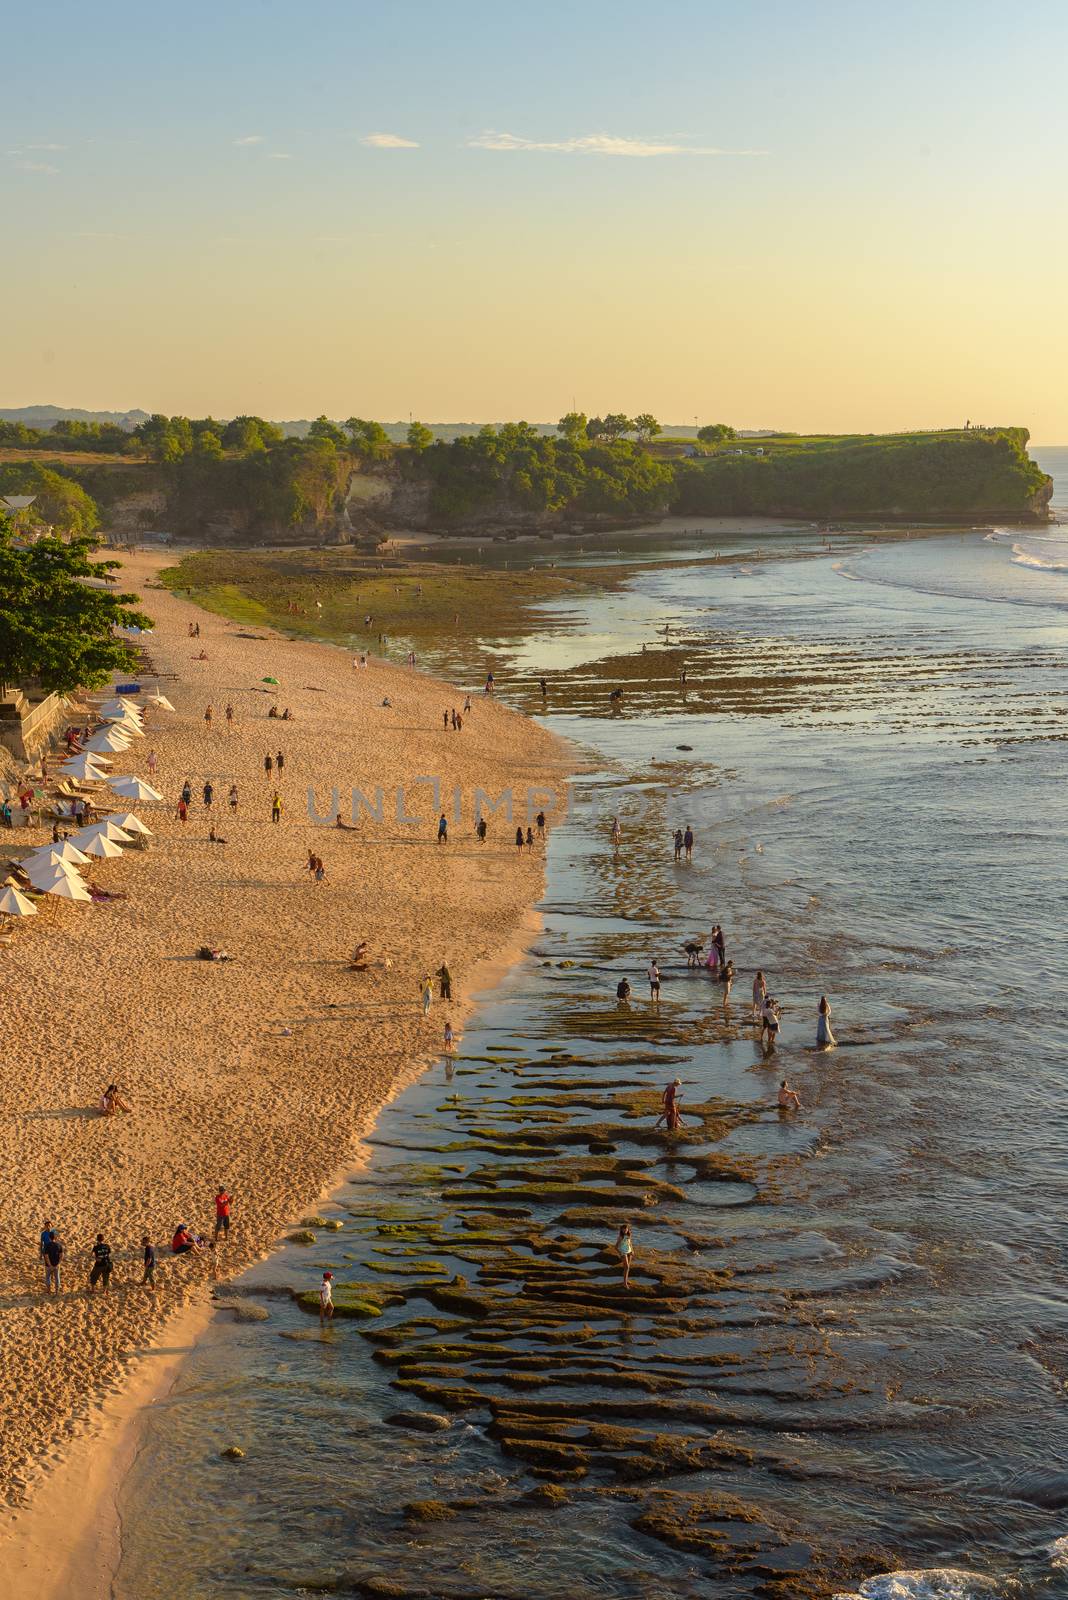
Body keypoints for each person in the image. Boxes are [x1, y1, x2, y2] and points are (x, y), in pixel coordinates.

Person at [614, 1223, 634, 1289]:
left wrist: (632, 1250)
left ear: (628, 1229)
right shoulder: (620, 1237)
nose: (625, 1230)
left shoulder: (629, 1235)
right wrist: (620, 1253)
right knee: (627, 1267)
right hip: (623, 1252)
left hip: (629, 1251)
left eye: (626, 1229)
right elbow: (616, 1247)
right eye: (623, 1229)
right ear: (621, 1230)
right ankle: (625, 1284)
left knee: (627, 1268)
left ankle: (625, 1281)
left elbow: (630, 1243)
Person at [44, 1231, 63, 1295]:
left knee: (48, 1277)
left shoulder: (47, 1246)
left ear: (49, 1238)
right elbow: (61, 1256)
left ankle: (49, 1291)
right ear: (56, 1238)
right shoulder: (59, 1245)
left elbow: (46, 1256)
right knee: (57, 1278)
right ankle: (57, 1292)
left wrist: (50, 1265)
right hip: (56, 1265)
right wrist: (58, 1264)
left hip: (48, 1265)